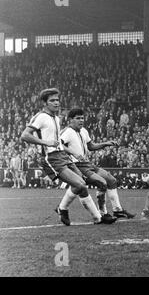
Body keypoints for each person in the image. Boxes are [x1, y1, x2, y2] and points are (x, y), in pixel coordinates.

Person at [20, 88, 116, 226]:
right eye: (52, 100)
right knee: (80, 184)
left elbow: (58, 141)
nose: (56, 103)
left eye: (57, 100)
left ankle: (97, 218)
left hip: (62, 155)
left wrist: (71, 152)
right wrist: (45, 142)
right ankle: (62, 208)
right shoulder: (40, 117)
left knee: (81, 184)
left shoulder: (56, 118)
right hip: (51, 157)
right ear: (44, 103)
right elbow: (25, 135)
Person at [60, 108, 135, 219]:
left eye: (82, 118)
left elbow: (91, 146)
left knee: (111, 180)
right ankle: (103, 213)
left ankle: (117, 210)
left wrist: (105, 143)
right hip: (77, 166)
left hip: (87, 163)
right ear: (70, 120)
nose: (81, 120)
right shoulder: (67, 132)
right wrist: (73, 153)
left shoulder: (83, 130)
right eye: (78, 118)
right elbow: (59, 145)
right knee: (102, 183)